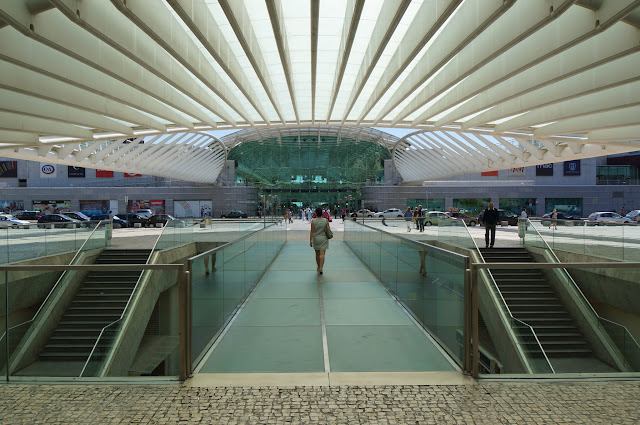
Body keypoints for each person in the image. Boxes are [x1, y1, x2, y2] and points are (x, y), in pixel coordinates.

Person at [310, 207, 330, 274]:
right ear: (322, 213)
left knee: (317, 254)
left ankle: (318, 267)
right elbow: (328, 230)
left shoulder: (313, 221)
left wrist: (310, 240)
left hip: (316, 238)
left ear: (315, 213)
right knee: (322, 254)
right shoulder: (326, 220)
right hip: (323, 238)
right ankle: (321, 267)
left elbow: (312, 231)